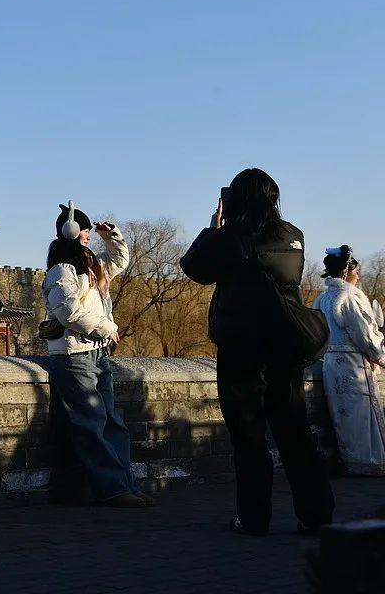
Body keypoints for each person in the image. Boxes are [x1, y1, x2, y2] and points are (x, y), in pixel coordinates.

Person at [180, 168, 334, 536]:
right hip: (286, 344)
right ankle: (315, 514)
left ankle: (254, 517)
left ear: (235, 199)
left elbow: (194, 268)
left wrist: (214, 228)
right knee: (295, 432)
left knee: (248, 436)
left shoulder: (233, 237)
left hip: (242, 347)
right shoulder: (293, 236)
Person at [43, 201, 153, 508]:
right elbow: (68, 311)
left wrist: (112, 236)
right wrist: (106, 327)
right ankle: (113, 490)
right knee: (90, 423)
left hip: (96, 353)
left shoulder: (91, 267)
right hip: (74, 355)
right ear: (72, 232)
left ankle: (125, 484)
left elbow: (120, 261)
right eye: (87, 232)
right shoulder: (62, 271)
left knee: (112, 422)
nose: (89, 236)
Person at [312, 246, 385, 476]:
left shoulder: (323, 298)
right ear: (346, 270)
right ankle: (369, 462)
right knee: (360, 414)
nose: (359, 275)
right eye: (357, 271)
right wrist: (379, 355)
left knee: (343, 415)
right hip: (353, 364)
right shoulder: (350, 296)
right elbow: (364, 332)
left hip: (331, 364)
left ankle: (351, 459)